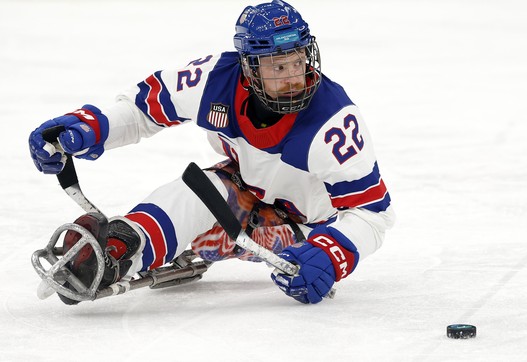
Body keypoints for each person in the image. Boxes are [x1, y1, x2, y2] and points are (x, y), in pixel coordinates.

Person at [28, 0, 395, 305]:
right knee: (201, 189)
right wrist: (89, 127)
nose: (293, 78)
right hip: (241, 191)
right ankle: (115, 250)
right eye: (277, 66)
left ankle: (138, 246)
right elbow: (144, 108)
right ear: (249, 68)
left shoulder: (333, 121)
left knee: (212, 214)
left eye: (297, 61)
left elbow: (373, 213)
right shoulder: (214, 80)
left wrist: (332, 254)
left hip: (306, 229)